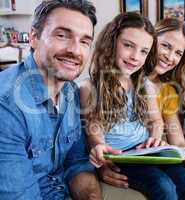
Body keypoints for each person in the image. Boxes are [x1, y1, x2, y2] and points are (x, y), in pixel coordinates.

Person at [97, 17, 185, 200]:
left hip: (156, 151)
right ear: (151, 40)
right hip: (128, 154)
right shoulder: (125, 75)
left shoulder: (168, 89)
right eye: (165, 46)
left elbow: (178, 141)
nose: (170, 57)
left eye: (178, 53)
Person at [80, 12, 185, 200]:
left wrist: (155, 139)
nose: (135, 57)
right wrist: (99, 148)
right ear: (112, 43)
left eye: (144, 51)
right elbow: (94, 130)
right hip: (122, 157)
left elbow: (156, 121)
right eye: (128, 46)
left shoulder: (145, 85)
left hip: (148, 151)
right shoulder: (90, 87)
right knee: (164, 187)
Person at [0, 1, 103, 199]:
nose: (75, 50)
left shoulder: (71, 92)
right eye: (62, 35)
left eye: (84, 41)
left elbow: (77, 162)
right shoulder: (7, 105)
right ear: (34, 38)